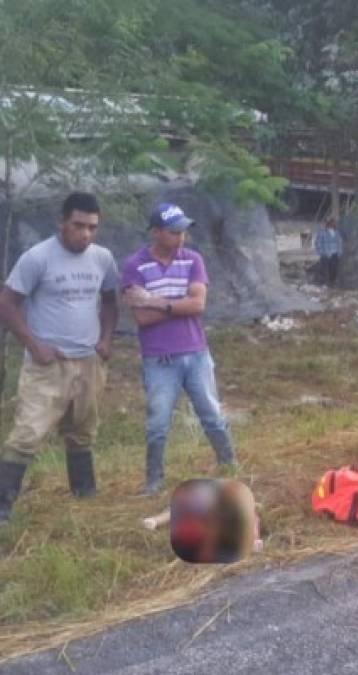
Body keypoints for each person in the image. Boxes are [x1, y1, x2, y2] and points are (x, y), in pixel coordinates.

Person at [0, 192, 119, 523]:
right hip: (48, 364)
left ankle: (84, 494)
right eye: (78, 225)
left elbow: (110, 300)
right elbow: (6, 303)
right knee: (27, 433)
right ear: (62, 222)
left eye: (92, 227)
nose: (85, 234)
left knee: (83, 432)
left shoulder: (102, 258)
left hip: (89, 361)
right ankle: (3, 507)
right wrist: (33, 344)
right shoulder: (38, 258)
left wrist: (106, 339)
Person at [121, 202, 236, 495]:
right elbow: (141, 317)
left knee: (211, 413)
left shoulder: (193, 259)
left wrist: (156, 301)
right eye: (174, 232)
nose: (181, 237)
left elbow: (198, 304)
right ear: (156, 233)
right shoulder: (135, 265)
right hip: (159, 358)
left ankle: (229, 465)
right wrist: (177, 305)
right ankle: (153, 481)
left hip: (196, 352)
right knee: (158, 422)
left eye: (183, 231)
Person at [314, 216, 343, 286]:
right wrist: (321, 252)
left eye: (334, 222)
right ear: (329, 223)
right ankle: (325, 283)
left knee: (334, 269)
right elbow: (318, 243)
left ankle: (332, 282)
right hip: (326, 254)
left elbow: (339, 242)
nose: (334, 224)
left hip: (335, 254)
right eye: (333, 222)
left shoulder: (337, 232)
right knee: (325, 270)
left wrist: (340, 252)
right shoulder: (322, 232)